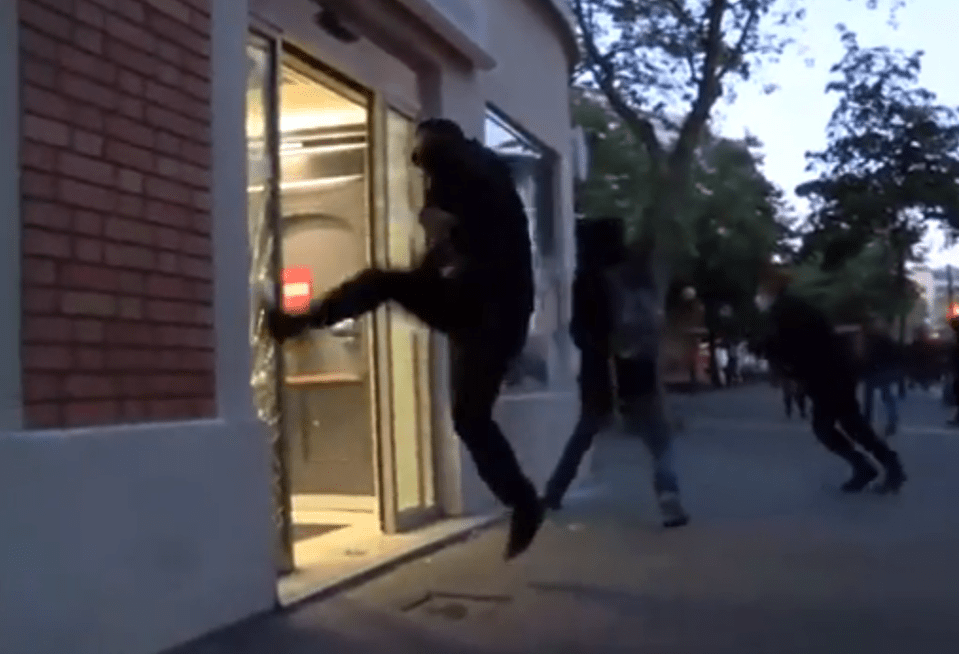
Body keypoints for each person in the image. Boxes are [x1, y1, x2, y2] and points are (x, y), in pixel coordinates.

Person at [265, 118, 544, 559]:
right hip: (493, 311)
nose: (422, 179)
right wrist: (430, 270)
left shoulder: (456, 169)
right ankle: (523, 502)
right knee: (471, 418)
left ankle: (524, 502)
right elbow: (451, 250)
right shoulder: (484, 175)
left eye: (422, 164)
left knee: (384, 286)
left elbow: (447, 239)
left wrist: (430, 260)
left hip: (483, 312)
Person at [543, 218, 689, 528]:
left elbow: (578, 332)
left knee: (584, 435)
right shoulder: (635, 275)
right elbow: (651, 322)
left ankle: (553, 493)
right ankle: (668, 496)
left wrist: (596, 351)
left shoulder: (586, 278)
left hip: (599, 374)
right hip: (638, 372)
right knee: (660, 440)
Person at [755, 267, 906, 494]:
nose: (760, 294)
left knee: (828, 428)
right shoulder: (795, 306)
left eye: (762, 288)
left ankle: (871, 467)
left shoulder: (784, 311)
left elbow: (790, 346)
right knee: (851, 424)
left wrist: (774, 357)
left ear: (771, 288)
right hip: (834, 372)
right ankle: (883, 466)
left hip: (825, 375)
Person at [862, 317, 900, 437]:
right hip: (879, 371)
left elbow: (866, 356)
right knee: (883, 396)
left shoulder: (872, 339)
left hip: (876, 371)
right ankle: (891, 420)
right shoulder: (885, 340)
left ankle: (870, 422)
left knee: (874, 397)